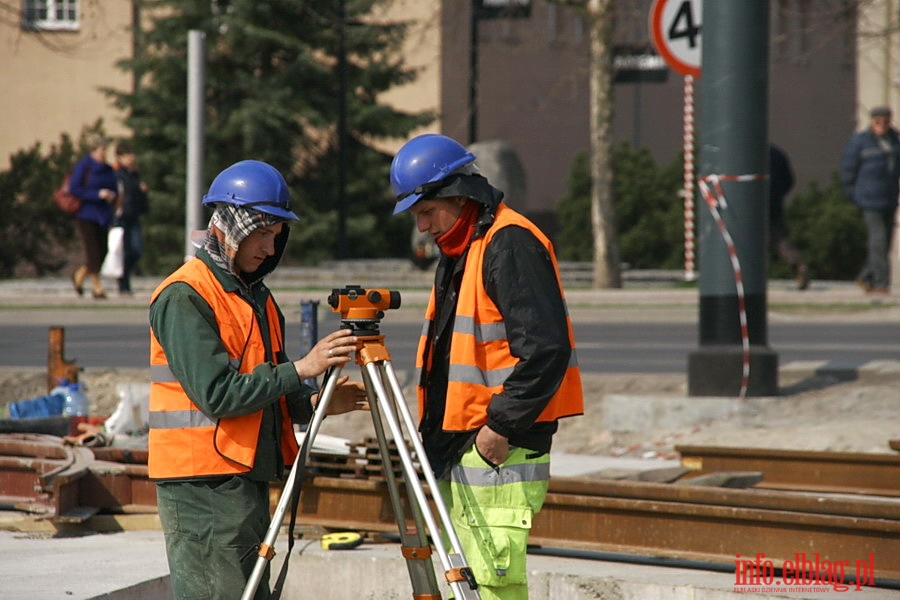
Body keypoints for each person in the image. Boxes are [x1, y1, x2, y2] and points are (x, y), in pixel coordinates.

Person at [148, 159, 368, 600]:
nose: (270, 248)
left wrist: (315, 400)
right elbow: (218, 394)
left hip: (237, 478)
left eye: (276, 235)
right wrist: (303, 368)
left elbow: (265, 391)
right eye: (262, 233)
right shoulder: (185, 295)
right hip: (202, 486)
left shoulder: (252, 296)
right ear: (229, 225)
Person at [389, 134, 584, 600]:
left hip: (497, 448)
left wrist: (499, 426)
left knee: (494, 588)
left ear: (459, 196)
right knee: (471, 585)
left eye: (426, 212)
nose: (421, 227)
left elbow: (545, 349)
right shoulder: (465, 248)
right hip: (466, 444)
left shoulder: (508, 244)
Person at [840, 105, 900, 295]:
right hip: (868, 200)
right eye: (878, 121)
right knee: (878, 240)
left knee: (885, 242)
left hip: (889, 198)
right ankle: (881, 283)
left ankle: (865, 275)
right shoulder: (859, 142)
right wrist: (852, 194)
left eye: (886, 121)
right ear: (872, 122)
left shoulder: (895, 140)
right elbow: (848, 170)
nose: (882, 125)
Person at [69, 134, 118, 299]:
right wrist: (97, 194)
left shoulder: (108, 169)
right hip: (86, 214)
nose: (104, 154)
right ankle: (97, 288)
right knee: (93, 252)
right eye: (101, 150)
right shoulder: (84, 167)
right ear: (93, 151)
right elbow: (74, 188)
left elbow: (115, 187)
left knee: (103, 251)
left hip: (103, 216)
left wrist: (112, 195)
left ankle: (80, 274)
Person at [769, 144, 809, 290]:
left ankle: (748, 274)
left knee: (747, 241)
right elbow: (789, 180)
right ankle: (798, 264)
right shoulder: (776, 153)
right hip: (773, 203)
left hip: (749, 205)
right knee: (780, 239)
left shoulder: (743, 152)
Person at [113, 142, 149, 296]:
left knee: (136, 250)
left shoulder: (134, 174)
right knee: (123, 251)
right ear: (120, 157)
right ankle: (123, 283)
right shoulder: (117, 174)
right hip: (121, 217)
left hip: (133, 216)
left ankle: (125, 278)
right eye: (127, 155)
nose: (131, 158)